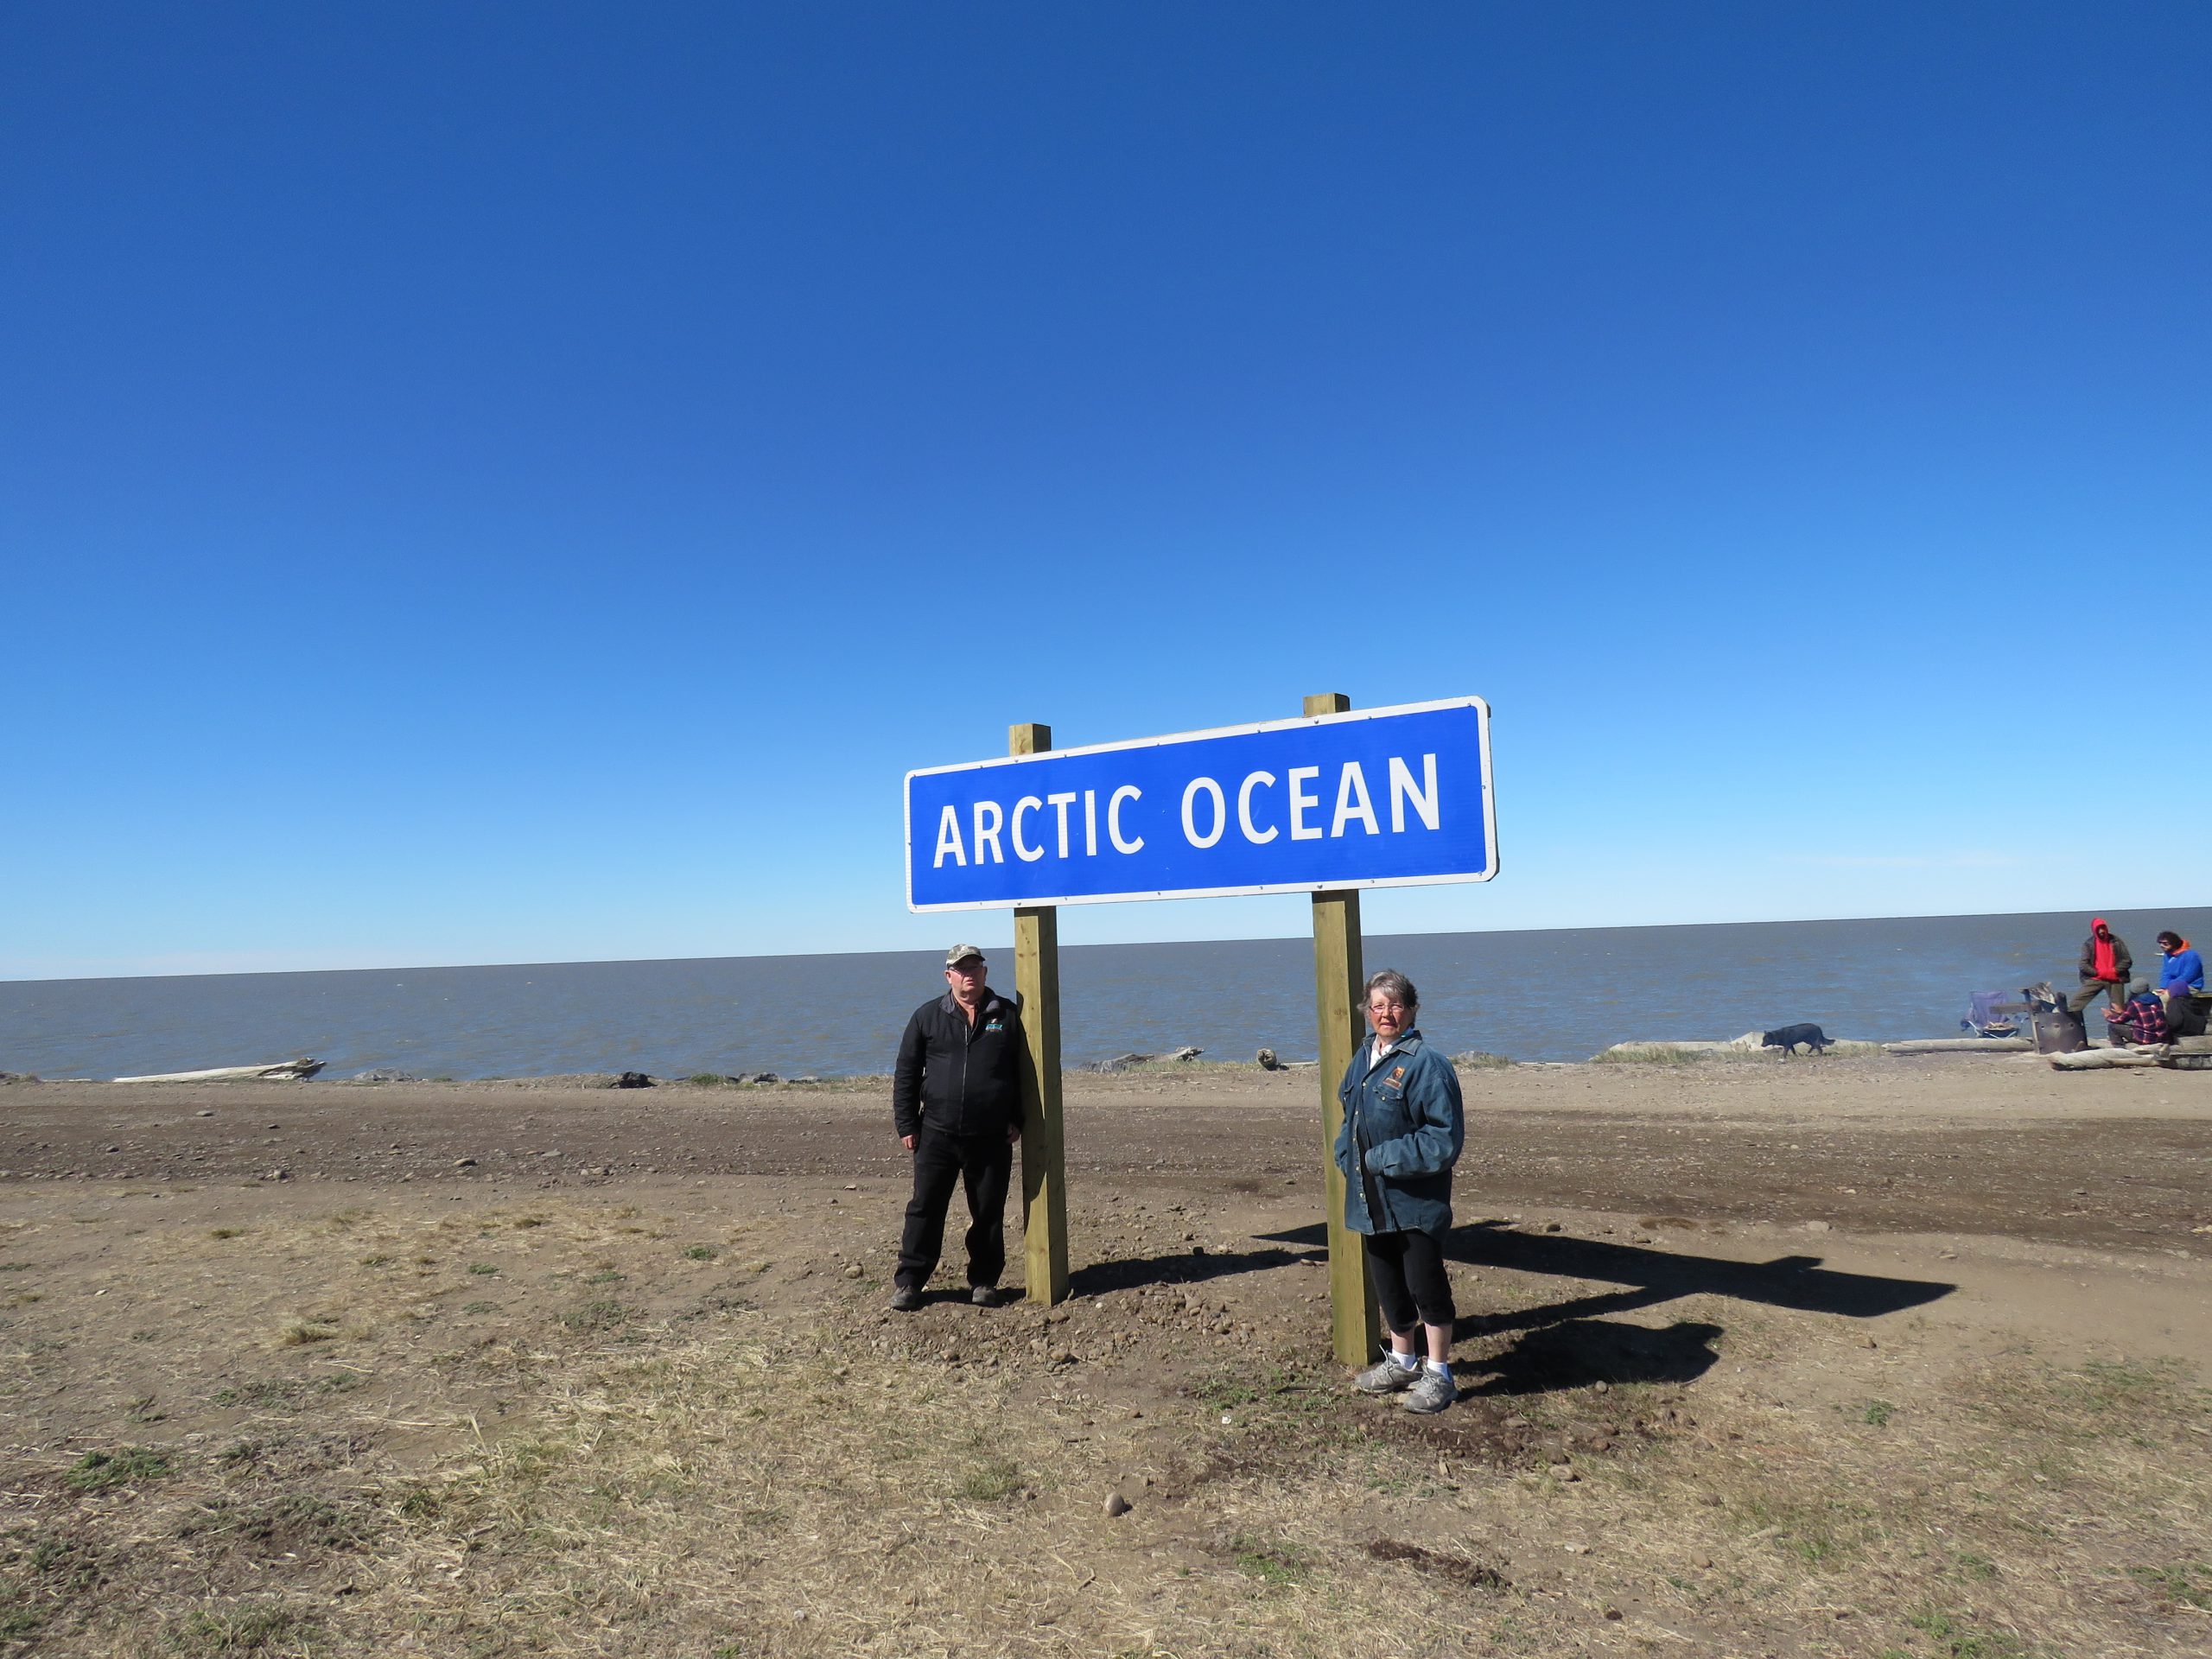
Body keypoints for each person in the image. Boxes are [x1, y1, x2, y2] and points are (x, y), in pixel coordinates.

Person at [1333, 969, 1465, 1414]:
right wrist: (1344, 1155)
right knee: (1389, 1285)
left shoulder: (1429, 1064)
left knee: (1426, 1288)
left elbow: (1443, 1140)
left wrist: (1379, 1159)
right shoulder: (1363, 1056)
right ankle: (1404, 1361)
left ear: (1411, 1010)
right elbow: (1348, 1111)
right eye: (1377, 1006)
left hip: (1415, 1203)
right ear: (1367, 1013)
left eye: (1394, 1005)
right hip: (1370, 1201)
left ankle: (1439, 1375)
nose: (1385, 1013)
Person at [889, 944, 1025, 1311]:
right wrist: (906, 1123)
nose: (969, 974)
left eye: (975, 967)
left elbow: (1023, 1072)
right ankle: (910, 1282)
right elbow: (906, 1073)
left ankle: (984, 1281)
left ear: (985, 972)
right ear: (948, 975)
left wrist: (1018, 1117)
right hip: (936, 1133)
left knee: (988, 1212)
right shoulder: (927, 1016)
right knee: (925, 1209)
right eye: (960, 969)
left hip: (991, 1136)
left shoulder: (1007, 1015)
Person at [2069, 918, 2133, 1017]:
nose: (2101, 932)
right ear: (2094, 930)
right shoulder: (2089, 944)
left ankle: (2119, 1029)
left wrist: (2114, 970)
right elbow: (2083, 965)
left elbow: (2127, 960)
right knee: (2075, 1003)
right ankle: (2072, 1025)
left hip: (2115, 978)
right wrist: (2097, 972)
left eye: (2103, 928)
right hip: (2096, 978)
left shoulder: (2116, 941)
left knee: (2118, 1009)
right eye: (2099, 929)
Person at [2106, 982, 2170, 1048]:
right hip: (2162, 1037)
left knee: (2112, 1027)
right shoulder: (2157, 999)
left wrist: (2109, 1016)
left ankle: (2119, 1048)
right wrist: (2122, 1011)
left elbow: (2121, 1020)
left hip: (2146, 1039)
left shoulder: (2135, 1003)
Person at [2156, 931, 2205, 995]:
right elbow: (2166, 974)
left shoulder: (2191, 955)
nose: (2161, 945)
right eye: (2160, 943)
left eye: (2165, 943)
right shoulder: (2167, 956)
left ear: (2173, 943)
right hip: (2171, 986)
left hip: (2190, 986)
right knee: (2154, 996)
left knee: (2165, 997)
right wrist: (2163, 987)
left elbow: (2188, 976)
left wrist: (2170, 988)